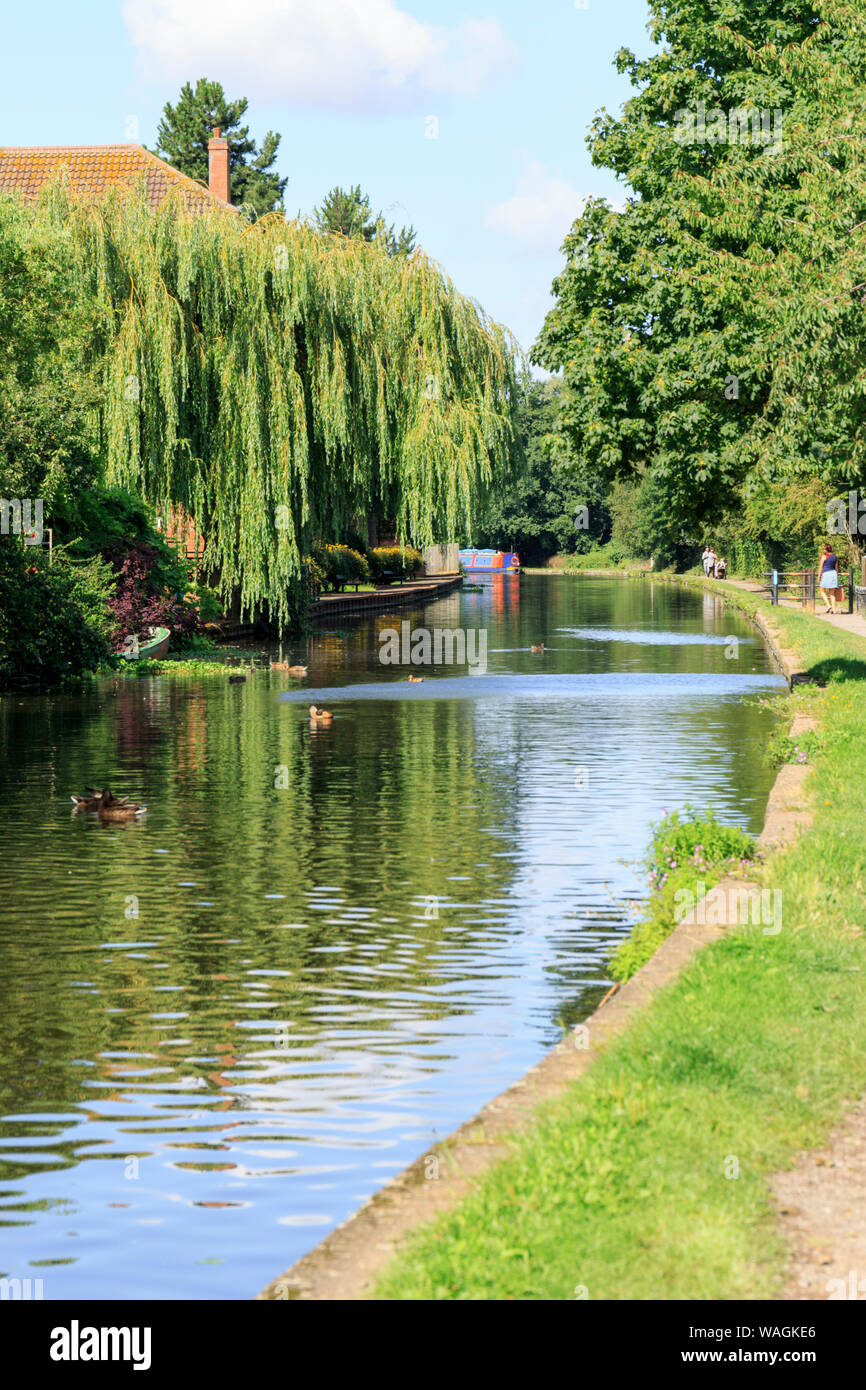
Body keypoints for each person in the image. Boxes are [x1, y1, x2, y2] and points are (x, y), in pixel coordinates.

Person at [818, 542, 840, 614]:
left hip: (826, 574)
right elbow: (836, 568)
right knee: (832, 593)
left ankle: (828, 605)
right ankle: (834, 610)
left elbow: (820, 567)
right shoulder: (834, 557)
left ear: (826, 549)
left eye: (824, 549)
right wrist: (836, 577)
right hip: (833, 574)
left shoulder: (824, 556)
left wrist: (819, 577)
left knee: (822, 590)